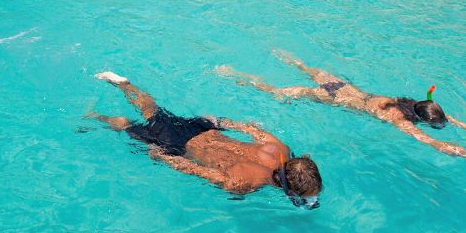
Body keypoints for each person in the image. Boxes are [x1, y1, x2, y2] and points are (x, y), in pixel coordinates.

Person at [216, 51, 466, 177]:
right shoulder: (397, 120)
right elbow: (438, 145)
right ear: (420, 120)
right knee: (275, 91)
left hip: (343, 86)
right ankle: (234, 74)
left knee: (304, 68)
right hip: (333, 99)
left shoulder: (407, 103)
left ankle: (282, 54)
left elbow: (456, 123)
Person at [88, 71, 323, 208]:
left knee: (153, 110)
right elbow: (196, 171)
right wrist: (165, 159)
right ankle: (94, 116)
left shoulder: (279, 148)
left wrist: (219, 123)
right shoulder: (245, 185)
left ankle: (124, 83)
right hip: (177, 144)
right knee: (127, 125)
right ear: (288, 191)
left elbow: (250, 128)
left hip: (204, 128)